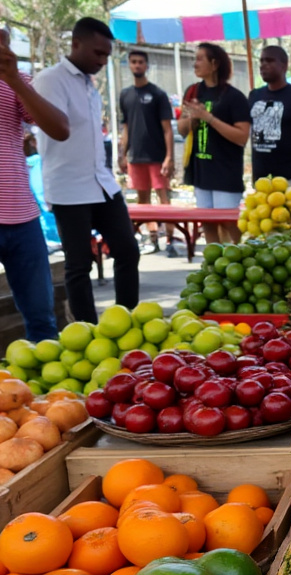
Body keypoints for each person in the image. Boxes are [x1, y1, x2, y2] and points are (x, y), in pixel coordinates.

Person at [34, 17, 139, 322]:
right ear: (75, 44)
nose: (103, 61)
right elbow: (58, 129)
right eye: (98, 53)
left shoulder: (90, 84)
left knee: (127, 250)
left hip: (102, 184)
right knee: (79, 265)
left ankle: (128, 319)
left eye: (107, 55)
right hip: (69, 188)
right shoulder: (51, 80)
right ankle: (88, 331)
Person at [0, 28, 66, 340]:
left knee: (42, 322)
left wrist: (14, 79)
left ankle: (46, 391)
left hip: (22, 218)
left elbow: (59, 128)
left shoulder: (14, 77)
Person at [179, 42, 249, 244]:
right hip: (200, 170)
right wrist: (193, 119)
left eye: (200, 58)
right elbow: (182, 130)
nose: (195, 64)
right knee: (207, 223)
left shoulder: (234, 97)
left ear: (215, 63)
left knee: (228, 223)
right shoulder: (192, 92)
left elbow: (242, 137)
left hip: (225, 172)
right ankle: (213, 266)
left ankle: (238, 260)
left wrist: (208, 118)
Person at [117, 49, 173, 252]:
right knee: (143, 202)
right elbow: (126, 128)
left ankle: (169, 240)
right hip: (136, 158)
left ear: (147, 65)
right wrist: (123, 154)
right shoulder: (125, 95)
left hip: (157, 156)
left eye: (141, 62)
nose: (137, 65)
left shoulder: (158, 94)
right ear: (129, 65)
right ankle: (152, 238)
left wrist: (169, 157)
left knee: (163, 199)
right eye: (133, 62)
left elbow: (167, 129)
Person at [248, 46, 291, 190]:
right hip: (261, 180)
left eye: (269, 61)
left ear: (284, 65)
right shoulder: (254, 96)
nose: (263, 65)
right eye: (261, 61)